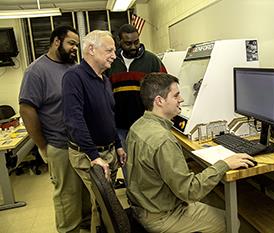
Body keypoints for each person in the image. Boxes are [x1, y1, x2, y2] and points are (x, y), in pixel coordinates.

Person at [126, 72, 256, 233]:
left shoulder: (137, 126)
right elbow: (189, 191)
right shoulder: (163, 140)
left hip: (142, 205)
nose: (181, 99)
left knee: (213, 199)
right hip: (161, 216)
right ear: (159, 101)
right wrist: (224, 164)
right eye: (176, 95)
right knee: (231, 220)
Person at [19, 26, 91, 233]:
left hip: (80, 144)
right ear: (56, 42)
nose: (75, 48)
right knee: (68, 196)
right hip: (58, 145)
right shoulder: (36, 71)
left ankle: (86, 227)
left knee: (85, 192)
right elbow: (26, 110)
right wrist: (43, 146)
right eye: (71, 43)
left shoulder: (73, 67)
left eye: (77, 45)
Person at [62, 30, 127, 233]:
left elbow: (109, 116)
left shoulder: (104, 79)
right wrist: (93, 155)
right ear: (91, 49)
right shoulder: (74, 77)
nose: (114, 55)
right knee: (103, 206)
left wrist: (117, 145)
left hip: (108, 152)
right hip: (89, 155)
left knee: (104, 204)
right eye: (109, 50)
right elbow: (74, 120)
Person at [107, 24, 167, 184]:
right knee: (126, 163)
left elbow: (165, 89)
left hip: (145, 124)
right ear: (119, 42)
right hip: (119, 124)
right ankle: (132, 196)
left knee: (148, 163)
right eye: (128, 43)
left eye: (136, 41)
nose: (133, 46)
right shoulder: (111, 62)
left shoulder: (152, 61)